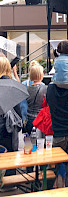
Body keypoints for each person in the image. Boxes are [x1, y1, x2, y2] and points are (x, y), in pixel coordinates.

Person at [0, 57, 22, 186]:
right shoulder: (11, 85)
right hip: (8, 128)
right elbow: (18, 110)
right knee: (10, 154)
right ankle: (10, 184)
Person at [24, 61, 47, 134]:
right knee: (41, 142)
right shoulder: (45, 89)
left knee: (29, 143)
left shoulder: (27, 89)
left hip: (29, 119)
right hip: (41, 119)